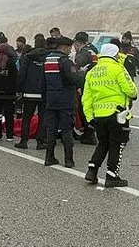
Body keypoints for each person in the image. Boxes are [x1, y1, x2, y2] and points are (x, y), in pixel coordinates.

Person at [82, 43, 138, 187]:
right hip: (117, 114)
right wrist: (134, 94)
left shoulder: (92, 72)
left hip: (98, 115)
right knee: (117, 145)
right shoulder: (118, 68)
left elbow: (86, 98)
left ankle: (92, 171)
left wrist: (89, 117)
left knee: (103, 144)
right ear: (115, 55)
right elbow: (130, 89)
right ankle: (112, 176)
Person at [42, 36, 84, 167]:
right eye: (69, 48)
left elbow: (42, 81)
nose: (70, 51)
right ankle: (69, 160)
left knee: (51, 129)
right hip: (65, 99)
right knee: (66, 129)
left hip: (50, 98)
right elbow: (73, 79)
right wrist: (81, 75)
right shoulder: (65, 61)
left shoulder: (47, 60)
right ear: (64, 47)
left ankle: (49, 157)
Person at [15, 36, 49, 150]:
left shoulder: (28, 57)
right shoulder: (48, 57)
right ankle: (40, 142)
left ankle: (24, 141)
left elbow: (22, 74)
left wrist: (19, 89)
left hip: (29, 92)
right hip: (44, 92)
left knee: (27, 117)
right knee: (42, 117)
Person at [72, 32, 99, 146]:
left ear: (78, 44)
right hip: (95, 82)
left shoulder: (82, 54)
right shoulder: (93, 50)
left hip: (86, 84)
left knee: (84, 108)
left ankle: (89, 133)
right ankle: (91, 132)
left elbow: (77, 69)